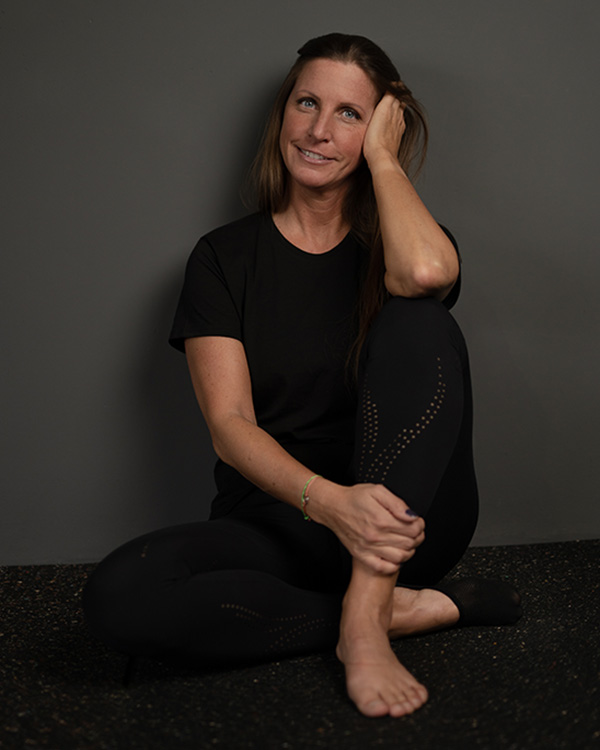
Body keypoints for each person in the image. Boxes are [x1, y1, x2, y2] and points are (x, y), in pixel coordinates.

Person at [83, 33, 522, 718]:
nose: (319, 130)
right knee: (121, 595)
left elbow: (426, 274)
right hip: (289, 518)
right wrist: (333, 505)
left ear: (380, 128)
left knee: (419, 315)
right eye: (307, 103)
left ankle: (367, 611)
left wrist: (385, 159)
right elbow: (230, 426)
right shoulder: (222, 259)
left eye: (350, 114)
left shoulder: (402, 246)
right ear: (283, 112)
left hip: (405, 524)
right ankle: (399, 613)